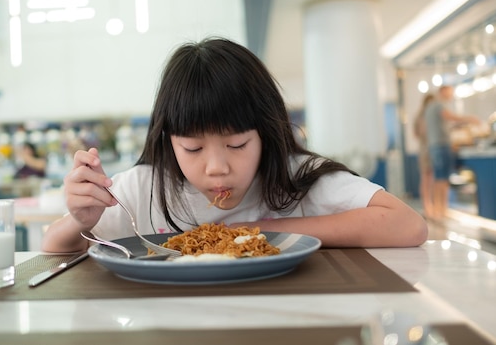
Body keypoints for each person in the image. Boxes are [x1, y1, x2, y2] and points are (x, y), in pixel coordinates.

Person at [41, 37, 428, 253]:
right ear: (168, 141)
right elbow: (53, 247)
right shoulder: (144, 187)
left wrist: (256, 229)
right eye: (193, 149)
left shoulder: (295, 178)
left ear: (266, 133)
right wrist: (81, 220)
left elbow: (408, 226)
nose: (216, 168)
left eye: (238, 144)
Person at [424, 85, 481, 220]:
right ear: (443, 91)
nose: (451, 95)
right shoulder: (438, 105)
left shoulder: (430, 108)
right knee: (442, 179)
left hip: (434, 146)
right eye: (450, 92)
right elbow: (452, 117)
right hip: (441, 146)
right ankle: (442, 209)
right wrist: (470, 119)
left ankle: (439, 209)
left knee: (439, 178)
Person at [413, 93, 435, 219]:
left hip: (429, 149)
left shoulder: (426, 116)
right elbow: (419, 133)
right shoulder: (422, 117)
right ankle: (427, 206)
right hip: (425, 150)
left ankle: (431, 205)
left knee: (431, 179)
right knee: (426, 178)